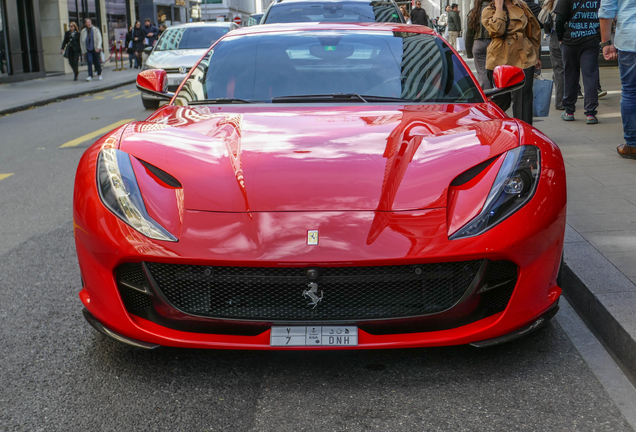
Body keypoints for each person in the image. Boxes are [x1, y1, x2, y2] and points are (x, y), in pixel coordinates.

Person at [482, 0, 541, 125]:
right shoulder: (489, 10)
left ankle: (524, 131)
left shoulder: (522, 6)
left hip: (524, 55)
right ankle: (493, 128)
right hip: (499, 58)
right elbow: (497, 30)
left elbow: (534, 30)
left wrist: (536, 55)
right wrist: (499, 8)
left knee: (524, 98)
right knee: (501, 99)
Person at [599, 0, 636, 158]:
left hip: (630, 39)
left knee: (629, 92)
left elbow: (606, 10)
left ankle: (633, 145)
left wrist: (606, 43)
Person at [555, 0, 601, 124]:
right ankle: (590, 113)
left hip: (570, 42)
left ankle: (569, 111)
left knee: (570, 75)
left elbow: (559, 20)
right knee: (590, 76)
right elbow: (604, 16)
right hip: (591, 41)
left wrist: (560, 38)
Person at [538, 0, 565, 110]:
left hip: (555, 36)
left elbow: (541, 18)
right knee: (571, 68)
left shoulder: (552, 1)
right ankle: (571, 97)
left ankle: (560, 101)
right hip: (573, 35)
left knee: (559, 69)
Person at [465, 0, 492, 90]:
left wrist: (469, 52)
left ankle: (487, 95)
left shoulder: (474, 12)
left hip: (479, 44)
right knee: (496, 71)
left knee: (482, 72)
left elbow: (469, 34)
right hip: (494, 43)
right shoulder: (495, 10)